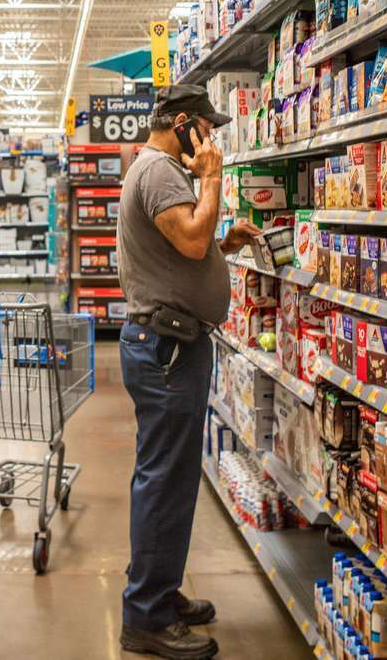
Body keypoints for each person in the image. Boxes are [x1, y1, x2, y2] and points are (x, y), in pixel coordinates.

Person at [115, 84, 262, 660]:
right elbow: (193, 244)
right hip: (166, 352)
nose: (214, 137)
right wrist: (213, 175)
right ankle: (145, 618)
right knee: (163, 481)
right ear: (184, 124)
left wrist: (226, 237)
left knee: (172, 482)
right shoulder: (158, 172)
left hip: (172, 347)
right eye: (208, 127)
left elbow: (189, 244)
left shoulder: (156, 171)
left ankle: (159, 594)